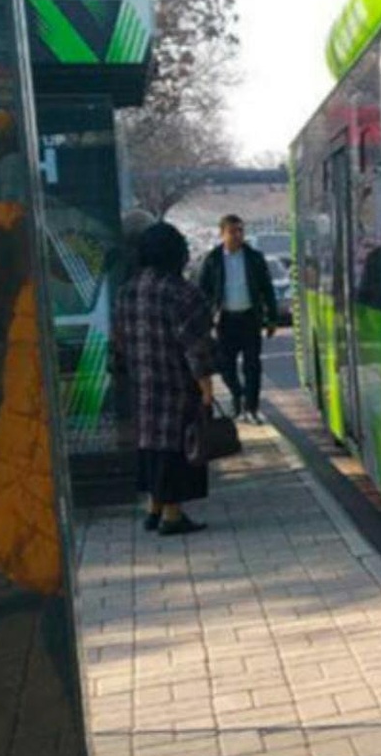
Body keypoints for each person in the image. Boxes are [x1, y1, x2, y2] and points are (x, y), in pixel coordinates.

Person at [110, 222, 215, 536]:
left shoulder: (126, 291)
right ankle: (172, 514)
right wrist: (206, 388)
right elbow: (196, 348)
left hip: (141, 386)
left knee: (150, 447)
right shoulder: (182, 293)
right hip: (176, 388)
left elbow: (118, 342)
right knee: (176, 448)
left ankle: (153, 508)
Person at [197, 214, 277, 424]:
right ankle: (237, 393)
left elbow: (267, 289)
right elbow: (202, 291)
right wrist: (205, 319)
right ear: (222, 233)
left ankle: (251, 407)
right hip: (225, 321)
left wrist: (271, 318)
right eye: (232, 231)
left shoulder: (254, 258)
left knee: (252, 365)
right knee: (225, 365)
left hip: (250, 318)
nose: (237, 235)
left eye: (240, 231)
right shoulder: (213, 259)